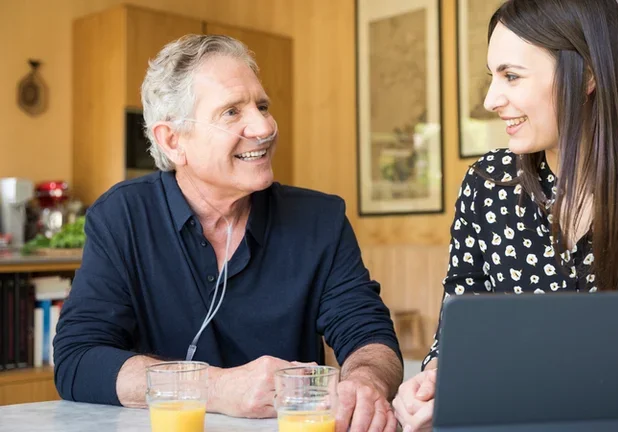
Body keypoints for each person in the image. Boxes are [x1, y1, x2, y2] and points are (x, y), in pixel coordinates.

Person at [393, 0, 618, 430]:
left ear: (588, 74)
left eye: (511, 76)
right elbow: (461, 330)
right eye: (492, 76)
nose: (491, 99)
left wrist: (503, 389)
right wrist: (435, 381)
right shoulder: (487, 182)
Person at [53, 34, 402, 431]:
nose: (264, 125)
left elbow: (370, 337)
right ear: (173, 140)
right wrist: (216, 388)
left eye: (263, 106)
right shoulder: (122, 217)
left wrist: (364, 383)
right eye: (232, 112)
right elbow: (77, 359)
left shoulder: (320, 219)